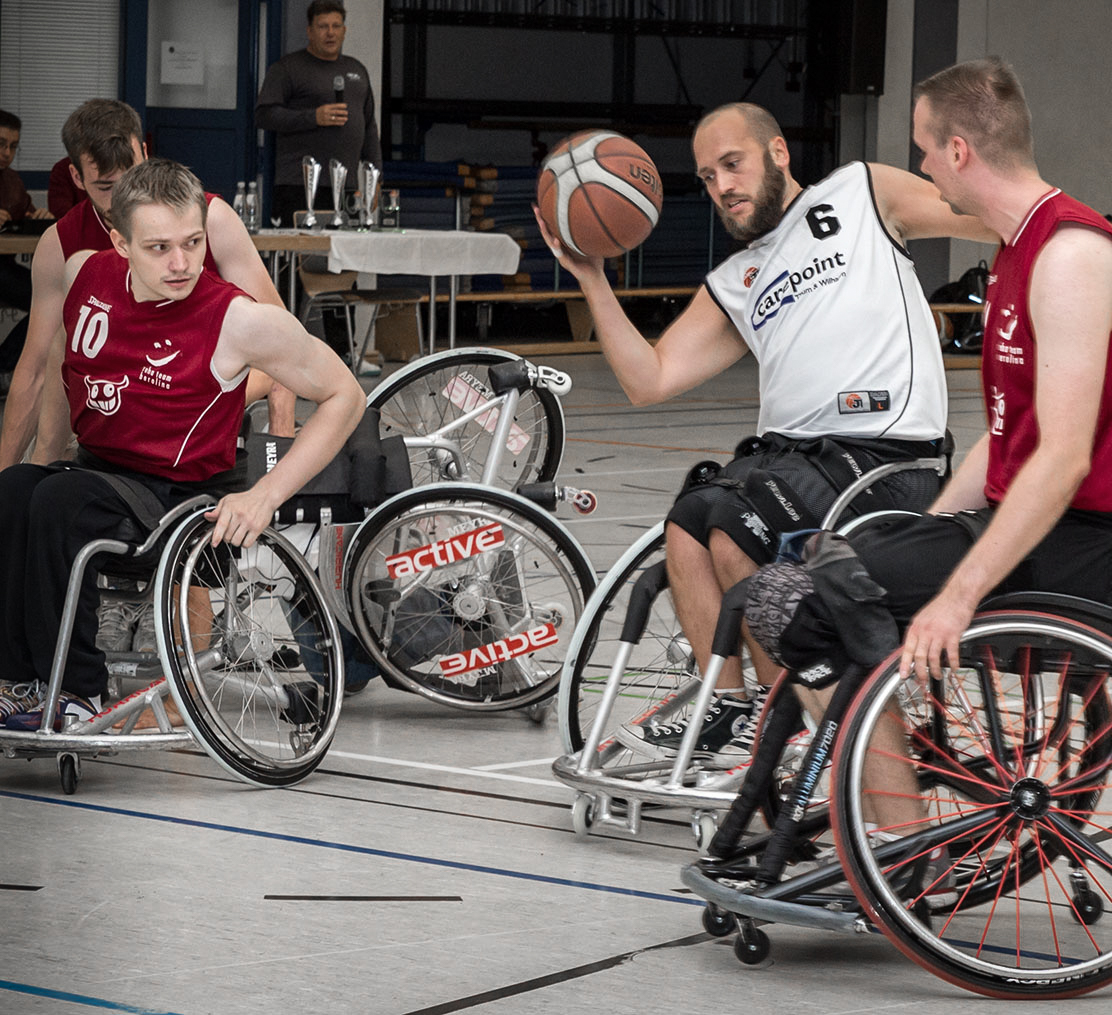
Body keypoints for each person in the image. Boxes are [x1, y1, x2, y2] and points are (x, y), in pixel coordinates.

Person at [535, 101, 994, 767]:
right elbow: (650, 377)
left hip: (884, 463)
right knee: (692, 520)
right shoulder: (738, 277)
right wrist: (592, 279)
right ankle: (732, 707)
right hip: (794, 466)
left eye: (732, 163)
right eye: (706, 176)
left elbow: (984, 216)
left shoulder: (862, 192)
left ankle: (795, 716)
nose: (721, 185)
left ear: (778, 153)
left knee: (737, 525)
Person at [740, 57, 1112, 835]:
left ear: (960, 153)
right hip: (1030, 527)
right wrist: (922, 531)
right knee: (810, 576)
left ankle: (900, 836)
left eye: (923, 149)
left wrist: (959, 591)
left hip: (1082, 547)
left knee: (798, 602)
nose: (919, 165)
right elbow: (1012, 435)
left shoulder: (1073, 255)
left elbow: (1065, 457)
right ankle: (889, 817)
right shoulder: (1017, 250)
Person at [0, 158, 365, 730]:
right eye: (159, 247)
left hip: (180, 495)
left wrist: (265, 495)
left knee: (57, 506)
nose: (180, 263)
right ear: (120, 243)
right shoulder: (85, 274)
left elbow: (346, 394)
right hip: (101, 471)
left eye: (193, 242)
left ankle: (78, 692)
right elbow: (57, 361)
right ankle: (20, 680)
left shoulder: (238, 319)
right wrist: (48, 453)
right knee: (16, 489)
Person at [0, 98, 297, 476]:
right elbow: (37, 369)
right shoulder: (61, 245)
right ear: (77, 178)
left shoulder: (211, 219)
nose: (125, 199)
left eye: (132, 177)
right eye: (106, 187)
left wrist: (280, 451)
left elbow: (280, 346)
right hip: (110, 429)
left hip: (196, 413)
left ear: (145, 152)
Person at [256, 0, 383, 227]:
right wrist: (313, 117)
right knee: (301, 257)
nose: (330, 33)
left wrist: (376, 178)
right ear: (310, 31)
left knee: (344, 257)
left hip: (347, 186)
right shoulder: (288, 68)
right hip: (299, 186)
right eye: (323, 26)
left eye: (336, 26)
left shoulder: (357, 70)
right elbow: (264, 115)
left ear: (344, 31)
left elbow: (369, 128)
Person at [0, 108, 53, 384]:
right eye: (1, 144)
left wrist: (39, 217)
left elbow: (25, 216)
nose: (7, 152)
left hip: (4, 269)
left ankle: (3, 363)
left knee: (51, 301)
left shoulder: (12, 180)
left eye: (13, 146)